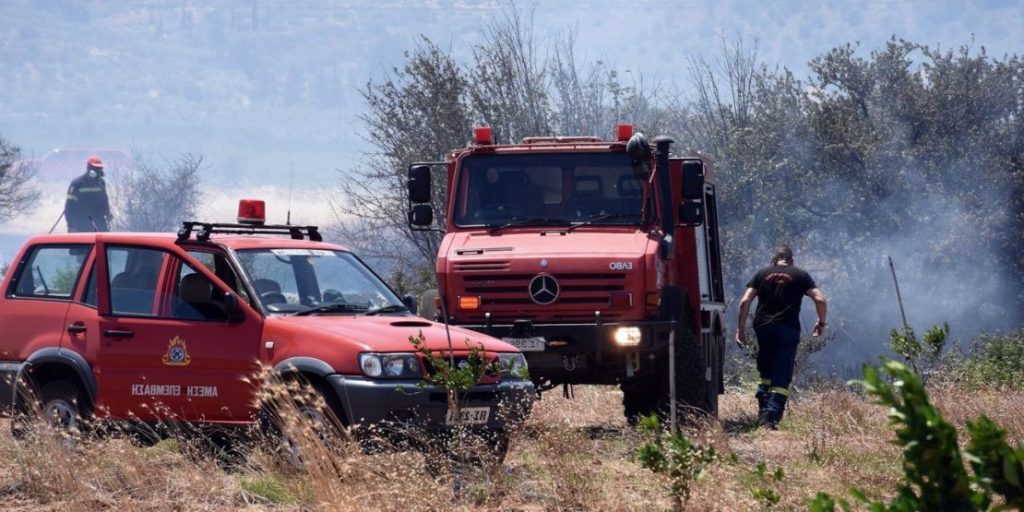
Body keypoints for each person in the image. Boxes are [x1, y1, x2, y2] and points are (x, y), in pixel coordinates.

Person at [735, 245, 827, 428]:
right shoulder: (800, 275)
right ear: (791, 260)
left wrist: (740, 330)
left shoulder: (761, 274)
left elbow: (745, 301)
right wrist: (821, 323)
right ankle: (770, 420)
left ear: (774, 260)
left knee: (767, 373)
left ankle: (763, 415)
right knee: (781, 376)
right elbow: (820, 299)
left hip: (763, 328)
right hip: (787, 329)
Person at [65, 156, 112, 232]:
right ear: (88, 168)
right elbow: (69, 207)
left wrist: (108, 212)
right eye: (95, 168)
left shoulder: (101, 183)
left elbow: (104, 199)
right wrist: (71, 226)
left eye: (100, 169)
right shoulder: (77, 183)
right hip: (82, 223)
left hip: (100, 222)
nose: (98, 171)